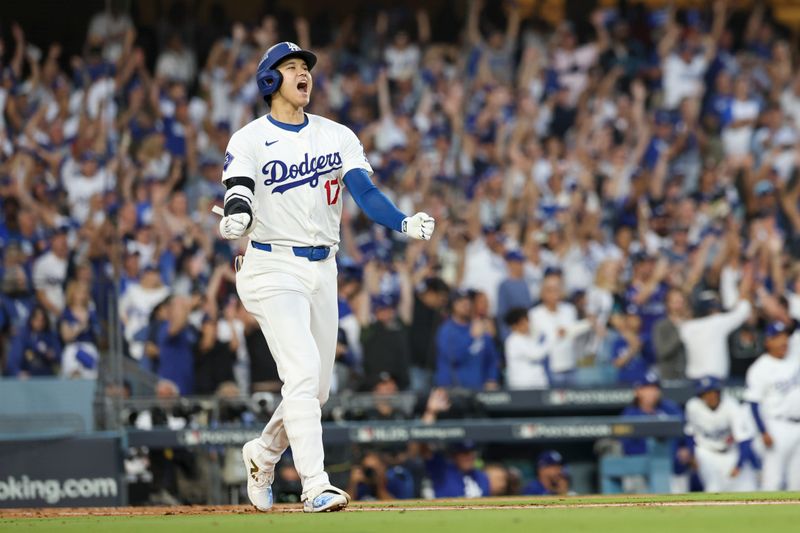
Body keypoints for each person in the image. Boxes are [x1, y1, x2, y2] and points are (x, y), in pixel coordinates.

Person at [218, 42, 435, 513]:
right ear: (269, 81)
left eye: (306, 68)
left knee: (317, 389)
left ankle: (264, 452)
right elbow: (239, 189)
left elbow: (365, 191)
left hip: (323, 266)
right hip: (271, 265)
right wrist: (237, 213)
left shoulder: (336, 135)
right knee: (300, 374)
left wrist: (400, 221)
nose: (304, 75)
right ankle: (314, 484)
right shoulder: (249, 138)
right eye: (292, 67)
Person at [744, 322, 800, 490]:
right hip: (777, 425)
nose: (783, 341)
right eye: (777, 337)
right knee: (772, 480)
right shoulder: (760, 368)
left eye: (785, 336)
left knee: (797, 482)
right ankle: (762, 516)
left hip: (798, 424)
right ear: (767, 341)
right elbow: (753, 403)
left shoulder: (794, 357)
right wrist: (764, 431)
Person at [684, 376, 759, 493]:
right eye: (706, 393)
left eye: (713, 392)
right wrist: (692, 456)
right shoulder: (693, 406)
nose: (710, 396)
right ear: (701, 396)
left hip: (730, 451)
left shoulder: (731, 405)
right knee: (713, 489)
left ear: (719, 392)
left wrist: (739, 465)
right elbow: (689, 434)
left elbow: (744, 440)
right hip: (706, 452)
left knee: (749, 489)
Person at [528, 268, 589, 386]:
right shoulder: (534, 314)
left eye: (557, 290)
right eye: (550, 290)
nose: (554, 294)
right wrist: (556, 335)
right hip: (550, 369)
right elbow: (534, 341)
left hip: (571, 365)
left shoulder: (569, 309)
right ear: (543, 293)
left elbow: (574, 331)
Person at [434, 289, 499, 391]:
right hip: (453, 391)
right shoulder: (446, 330)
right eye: (460, 301)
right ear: (452, 305)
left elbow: (492, 359)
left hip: (480, 390)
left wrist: (492, 378)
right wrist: (471, 337)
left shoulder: (479, 326)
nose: (466, 304)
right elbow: (453, 358)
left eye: (468, 301)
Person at [424, 441, 490, 498]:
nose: (468, 457)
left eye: (471, 453)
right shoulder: (442, 472)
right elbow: (427, 452)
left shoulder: (481, 476)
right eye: (464, 453)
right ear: (455, 455)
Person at [504, 307, 548, 390]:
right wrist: (553, 340)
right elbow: (536, 355)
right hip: (522, 385)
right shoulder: (513, 340)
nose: (527, 325)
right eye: (523, 323)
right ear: (514, 325)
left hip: (537, 383)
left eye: (527, 321)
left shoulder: (528, 338)